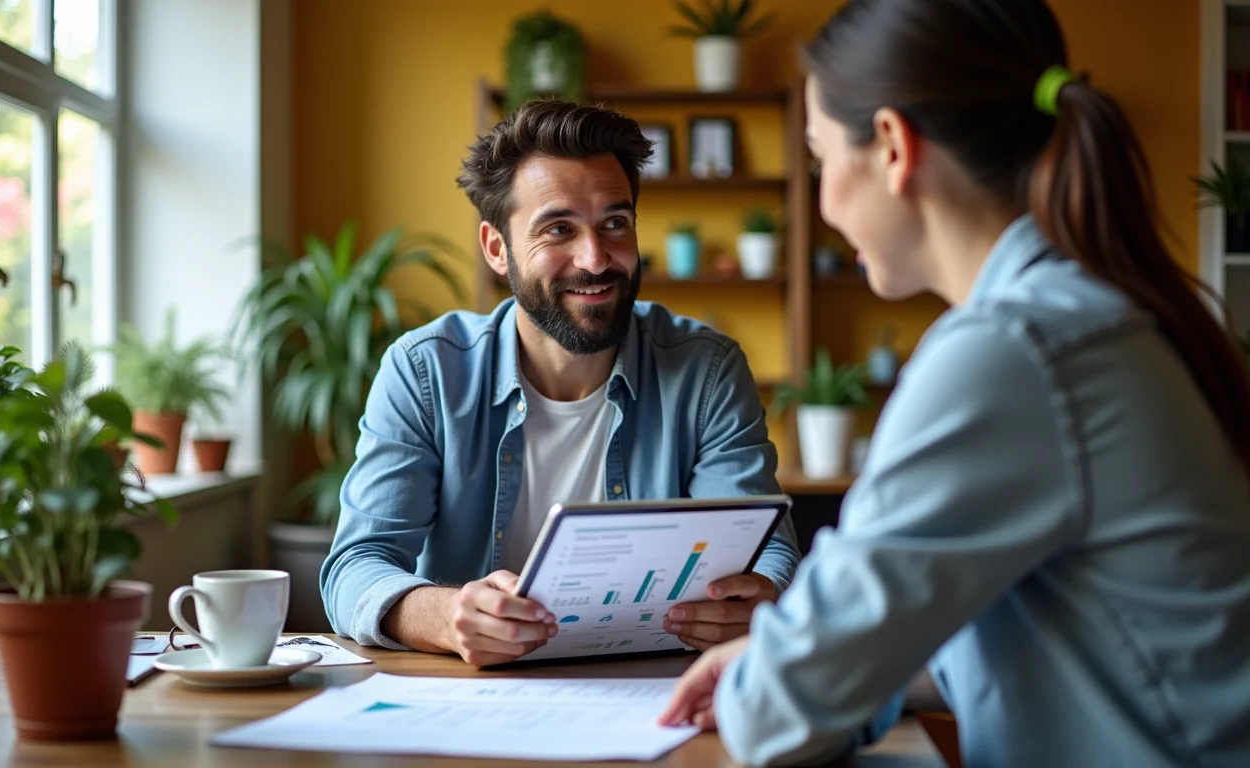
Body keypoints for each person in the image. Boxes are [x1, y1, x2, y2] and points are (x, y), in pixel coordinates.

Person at [659, 1, 1250, 766]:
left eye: (818, 160)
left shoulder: (1011, 350)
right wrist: (824, 673)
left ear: (893, 147)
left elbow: (778, 715)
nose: (822, 197)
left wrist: (773, 676)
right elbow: (1032, 639)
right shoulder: (1088, 310)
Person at [320, 99, 801, 669]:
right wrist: (446, 615)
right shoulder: (425, 371)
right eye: (558, 229)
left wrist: (761, 596)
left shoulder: (706, 368)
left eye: (615, 225)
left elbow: (762, 541)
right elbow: (356, 565)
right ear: (497, 248)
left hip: (657, 691)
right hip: (468, 694)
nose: (595, 259)